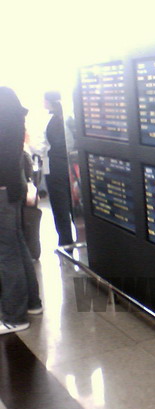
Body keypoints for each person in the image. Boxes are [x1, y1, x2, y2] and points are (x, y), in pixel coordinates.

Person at [0, 86, 43, 334]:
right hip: (12, 189)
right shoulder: (14, 116)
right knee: (16, 246)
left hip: (2, 190)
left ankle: (15, 317)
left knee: (7, 254)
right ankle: (32, 303)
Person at [43, 91, 74, 246]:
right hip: (68, 164)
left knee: (59, 203)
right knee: (72, 201)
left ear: (48, 101)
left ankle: (65, 240)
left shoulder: (53, 121)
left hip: (54, 165)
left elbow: (45, 146)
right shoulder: (67, 118)